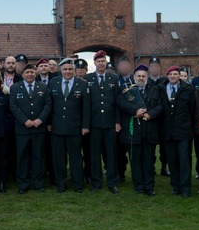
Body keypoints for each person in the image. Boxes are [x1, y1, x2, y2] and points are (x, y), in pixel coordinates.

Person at [117, 64, 163, 196]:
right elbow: (121, 103)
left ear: (147, 77)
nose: (141, 78)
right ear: (134, 77)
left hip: (149, 131)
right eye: (139, 76)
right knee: (135, 160)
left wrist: (151, 114)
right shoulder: (127, 90)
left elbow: (160, 105)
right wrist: (135, 111)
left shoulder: (155, 89)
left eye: (143, 76)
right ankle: (138, 186)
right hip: (133, 132)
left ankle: (149, 186)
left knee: (149, 160)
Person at [48, 58, 90, 193]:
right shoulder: (53, 83)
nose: (67, 72)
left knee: (76, 157)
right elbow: (49, 105)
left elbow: (86, 108)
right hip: (57, 127)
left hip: (75, 127)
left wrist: (85, 126)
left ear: (74, 70)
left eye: (70, 69)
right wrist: (49, 123)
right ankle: (61, 183)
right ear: (61, 70)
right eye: (65, 69)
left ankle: (77, 183)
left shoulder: (82, 84)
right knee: (59, 157)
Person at [10, 63, 52, 194]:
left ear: (36, 74)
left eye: (32, 72)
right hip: (22, 130)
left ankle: (38, 183)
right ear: (22, 75)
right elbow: (13, 106)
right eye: (27, 72)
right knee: (22, 157)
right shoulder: (15, 88)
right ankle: (23, 184)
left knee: (38, 156)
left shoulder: (44, 87)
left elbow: (48, 105)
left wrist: (40, 120)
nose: (29, 74)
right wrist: (25, 120)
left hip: (39, 128)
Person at [84, 50, 121, 194]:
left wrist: (118, 121)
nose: (101, 64)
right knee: (94, 155)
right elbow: (86, 104)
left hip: (110, 123)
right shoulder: (87, 78)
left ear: (106, 63)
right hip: (94, 124)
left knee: (111, 154)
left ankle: (112, 182)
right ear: (94, 63)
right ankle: (96, 182)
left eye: (103, 61)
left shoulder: (114, 78)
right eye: (98, 61)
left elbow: (117, 102)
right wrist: (86, 125)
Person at [159, 65, 195, 197]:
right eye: (170, 74)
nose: (173, 76)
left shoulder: (188, 89)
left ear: (179, 75)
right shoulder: (162, 89)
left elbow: (192, 110)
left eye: (175, 74)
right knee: (172, 160)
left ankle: (185, 188)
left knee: (184, 160)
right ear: (167, 76)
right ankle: (175, 186)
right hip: (168, 131)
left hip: (183, 131)